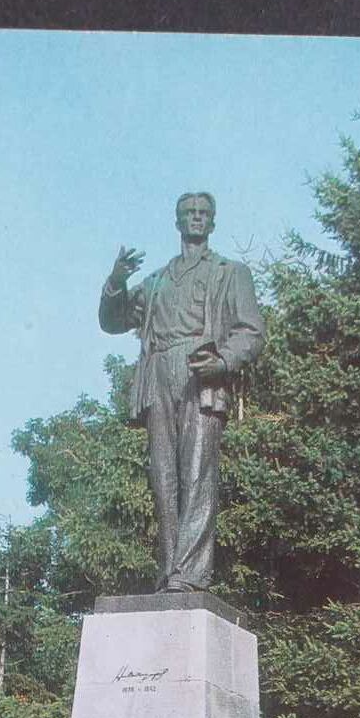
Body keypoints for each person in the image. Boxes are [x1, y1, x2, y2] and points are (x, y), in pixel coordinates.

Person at [99, 192, 265, 591]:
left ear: (212, 222)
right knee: (163, 477)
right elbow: (114, 321)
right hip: (158, 372)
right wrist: (116, 281)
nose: (196, 218)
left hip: (201, 372)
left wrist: (223, 361)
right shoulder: (156, 281)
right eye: (189, 213)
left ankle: (191, 574)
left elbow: (252, 332)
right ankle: (170, 568)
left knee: (197, 473)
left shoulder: (230, 273)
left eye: (203, 213)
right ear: (177, 222)